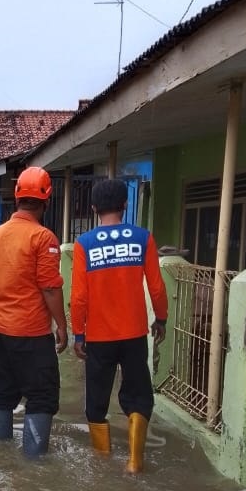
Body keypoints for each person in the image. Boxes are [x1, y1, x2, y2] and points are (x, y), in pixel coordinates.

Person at [70, 178, 168, 474]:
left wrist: (78, 333)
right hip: (135, 334)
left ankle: (101, 464)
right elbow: (157, 287)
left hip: (99, 338)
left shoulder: (84, 243)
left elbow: (78, 296)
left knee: (97, 400)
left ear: (94, 208)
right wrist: (160, 318)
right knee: (139, 396)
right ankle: (135, 462)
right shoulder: (143, 238)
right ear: (125, 205)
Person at [0, 166, 68, 457]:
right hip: (30, 332)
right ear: (47, 200)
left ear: (17, 198)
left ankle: (2, 452)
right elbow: (51, 289)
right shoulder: (44, 238)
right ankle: (34, 464)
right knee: (42, 395)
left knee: (3, 391)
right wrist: (63, 327)